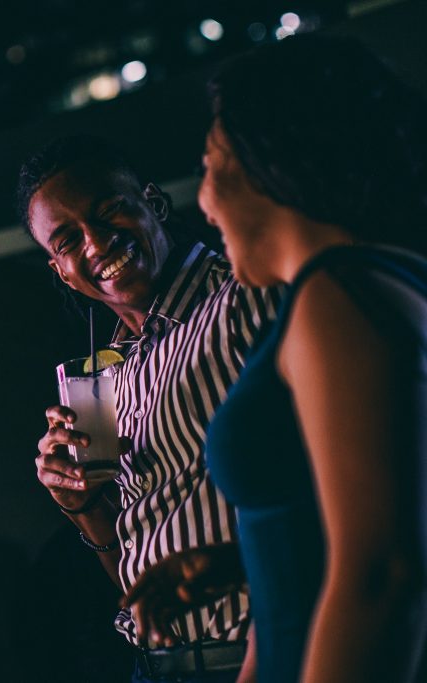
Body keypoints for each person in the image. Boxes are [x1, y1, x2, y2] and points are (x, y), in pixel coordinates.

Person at [123, 35, 427, 683]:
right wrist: (252, 557)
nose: (202, 204)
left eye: (207, 164)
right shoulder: (393, 278)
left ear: (262, 160)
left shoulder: (335, 297)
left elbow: (380, 572)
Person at [20, 135, 280, 682]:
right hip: (158, 665)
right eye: (68, 240)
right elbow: (133, 583)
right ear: (61, 271)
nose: (95, 242)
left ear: (154, 203)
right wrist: (84, 506)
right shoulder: (115, 371)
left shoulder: (244, 296)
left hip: (254, 655)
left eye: (109, 209)